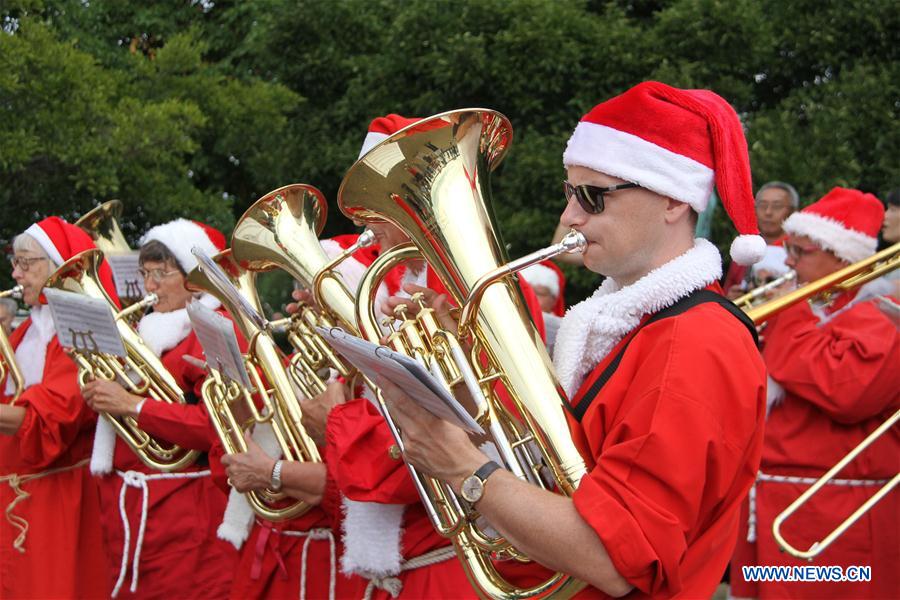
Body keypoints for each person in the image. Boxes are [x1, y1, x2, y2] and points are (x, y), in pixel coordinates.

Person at [377, 82, 768, 598]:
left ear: (674, 200)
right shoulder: (632, 327)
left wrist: (463, 466)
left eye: (592, 196)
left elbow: (614, 557)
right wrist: (462, 377)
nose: (569, 217)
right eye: (569, 192)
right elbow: (564, 474)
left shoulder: (689, 345)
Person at [729, 187, 899, 599]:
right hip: (768, 505)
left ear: (841, 258)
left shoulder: (884, 316)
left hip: (832, 515)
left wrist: (787, 313)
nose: (787, 261)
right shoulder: (807, 310)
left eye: (801, 252)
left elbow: (847, 392)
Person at [80, 219, 239, 598]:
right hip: (139, 510)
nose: (148, 287)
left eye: (160, 274)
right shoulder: (150, 331)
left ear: (194, 278)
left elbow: (215, 425)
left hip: (190, 513)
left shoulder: (215, 330)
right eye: (145, 274)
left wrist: (132, 404)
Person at [0, 217, 113, 598]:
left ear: (56, 264)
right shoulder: (23, 331)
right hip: (18, 495)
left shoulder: (78, 334)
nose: (16, 273)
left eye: (26, 262)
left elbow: (52, 417)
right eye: (15, 262)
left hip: (58, 497)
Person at [724, 181, 799, 297]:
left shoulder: (800, 251)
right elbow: (729, 288)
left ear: (793, 211)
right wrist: (731, 300)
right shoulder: (745, 248)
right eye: (762, 205)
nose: (768, 212)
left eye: (777, 206)